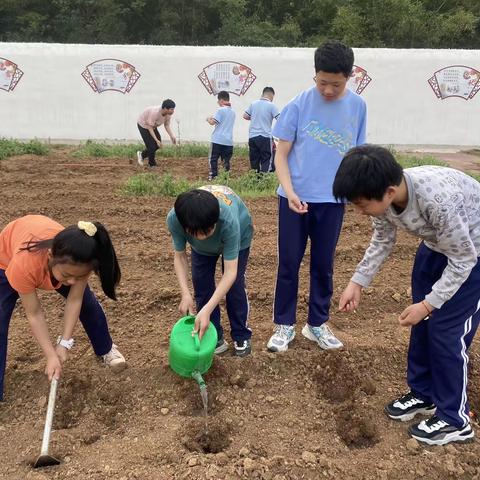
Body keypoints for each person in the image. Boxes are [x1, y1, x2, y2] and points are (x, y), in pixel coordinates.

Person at [333, 145, 480, 446]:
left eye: (361, 204)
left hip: (472, 254)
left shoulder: (438, 201)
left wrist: (428, 304)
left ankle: (455, 419)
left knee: (445, 332)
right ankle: (424, 394)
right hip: (436, 248)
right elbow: (383, 240)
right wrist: (357, 282)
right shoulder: (384, 199)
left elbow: (463, 259)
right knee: (422, 326)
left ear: (388, 191)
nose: (359, 211)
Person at [266, 40, 367, 353]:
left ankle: (316, 324)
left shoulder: (358, 106)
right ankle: (284, 325)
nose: (327, 90)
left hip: (333, 201)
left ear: (349, 77)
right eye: (322, 82)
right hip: (294, 199)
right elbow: (281, 154)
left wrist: (353, 191)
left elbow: (356, 154)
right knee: (289, 264)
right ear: (315, 75)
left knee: (323, 265)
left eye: (335, 84)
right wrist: (291, 192)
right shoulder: (299, 104)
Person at [0, 215, 126, 401]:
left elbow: (75, 300)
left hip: (54, 259)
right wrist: (51, 355)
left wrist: (64, 343)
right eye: (67, 276)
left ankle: (105, 349)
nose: (72, 282)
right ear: (51, 257)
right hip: (6, 259)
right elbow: (34, 313)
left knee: (88, 303)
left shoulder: (78, 260)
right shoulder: (24, 266)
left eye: (79, 277)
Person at [167, 185, 253, 357]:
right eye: (195, 233)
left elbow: (230, 272)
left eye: (208, 231)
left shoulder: (228, 221)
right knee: (202, 285)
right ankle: (215, 336)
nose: (202, 237)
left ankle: (241, 335)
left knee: (234, 286)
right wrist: (185, 294)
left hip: (239, 237)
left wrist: (205, 309)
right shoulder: (175, 218)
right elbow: (180, 256)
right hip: (201, 251)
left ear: (215, 222)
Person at [243, 86, 279, 173]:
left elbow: (245, 116)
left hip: (253, 136)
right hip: (265, 137)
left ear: (263, 94)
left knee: (254, 159)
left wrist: (255, 117)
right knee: (267, 159)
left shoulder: (253, 104)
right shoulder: (272, 106)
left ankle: (255, 178)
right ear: (271, 95)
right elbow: (280, 118)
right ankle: (264, 179)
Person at [136, 99, 177, 167]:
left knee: (158, 145)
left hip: (152, 126)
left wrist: (171, 136)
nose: (173, 111)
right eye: (171, 109)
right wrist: (156, 140)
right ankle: (152, 164)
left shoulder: (168, 114)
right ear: (165, 108)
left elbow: (166, 125)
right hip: (144, 125)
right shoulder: (155, 113)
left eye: (173, 109)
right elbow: (149, 127)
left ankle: (142, 155)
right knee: (151, 146)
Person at [206, 91, 235, 180]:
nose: (218, 103)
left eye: (218, 101)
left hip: (217, 139)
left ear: (221, 100)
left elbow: (212, 122)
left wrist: (208, 118)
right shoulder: (233, 112)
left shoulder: (220, 110)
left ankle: (213, 176)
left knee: (213, 159)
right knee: (226, 161)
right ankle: (225, 177)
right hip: (228, 141)